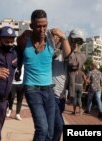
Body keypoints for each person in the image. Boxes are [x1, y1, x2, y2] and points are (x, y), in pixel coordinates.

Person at [16, 9, 70, 141]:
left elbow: (68, 54)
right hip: (32, 89)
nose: (42, 29)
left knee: (50, 132)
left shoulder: (51, 40)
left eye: (44, 26)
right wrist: (23, 35)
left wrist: (63, 37)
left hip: (49, 90)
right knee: (42, 128)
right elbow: (17, 43)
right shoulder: (25, 41)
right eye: (38, 26)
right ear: (32, 26)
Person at [67, 29, 87, 104]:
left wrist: (70, 48)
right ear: (69, 39)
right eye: (74, 40)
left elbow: (73, 64)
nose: (76, 43)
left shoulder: (82, 56)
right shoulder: (62, 49)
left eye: (79, 41)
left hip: (68, 90)